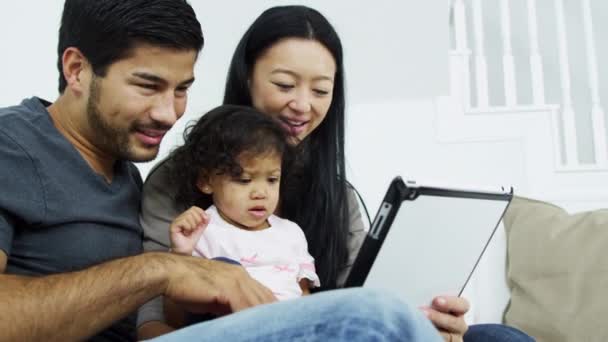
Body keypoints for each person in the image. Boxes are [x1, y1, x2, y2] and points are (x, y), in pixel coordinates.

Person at [0, 1, 444, 341]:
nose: (168, 112)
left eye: (182, 89)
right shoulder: (11, 146)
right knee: (375, 319)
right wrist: (165, 270)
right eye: (148, 86)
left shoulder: (120, 168)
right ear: (76, 69)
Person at [137, 5, 534, 342]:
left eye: (321, 90)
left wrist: (428, 319)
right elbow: (150, 324)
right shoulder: (178, 180)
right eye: (285, 84)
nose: (302, 105)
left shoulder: (335, 197)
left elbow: (362, 305)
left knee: (498, 337)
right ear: (246, 77)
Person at [168, 105, 320, 303]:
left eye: (272, 179)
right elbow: (178, 315)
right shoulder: (201, 233)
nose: (260, 193)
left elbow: (304, 298)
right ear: (206, 180)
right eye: (244, 180)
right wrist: (181, 255)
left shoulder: (291, 233)